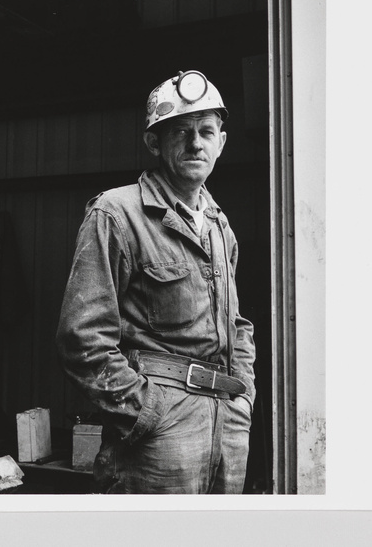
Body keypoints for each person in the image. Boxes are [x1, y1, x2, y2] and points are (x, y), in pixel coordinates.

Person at [56, 70, 255, 494]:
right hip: (160, 433)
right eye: (180, 132)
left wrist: (244, 398)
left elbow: (236, 325)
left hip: (228, 425)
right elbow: (83, 338)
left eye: (206, 131)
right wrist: (144, 413)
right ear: (154, 143)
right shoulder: (117, 213)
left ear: (222, 141)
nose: (195, 143)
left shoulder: (221, 227)